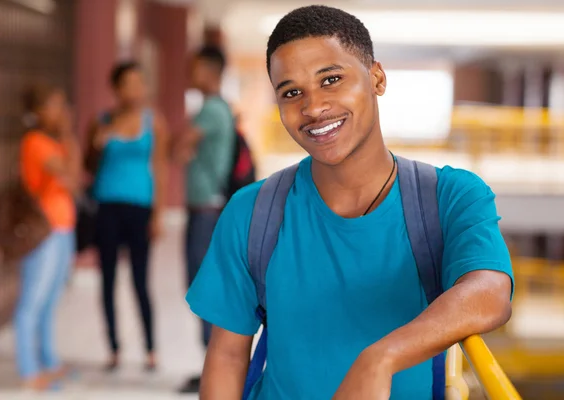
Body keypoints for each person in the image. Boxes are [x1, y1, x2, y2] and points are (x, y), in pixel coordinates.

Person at [185, 5, 514, 400]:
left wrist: (381, 359)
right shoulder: (252, 212)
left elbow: (489, 291)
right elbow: (227, 357)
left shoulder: (450, 197)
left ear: (376, 77)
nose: (312, 107)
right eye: (291, 92)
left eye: (331, 80)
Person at [85, 61, 169, 372]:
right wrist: (99, 142)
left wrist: (158, 215)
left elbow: (160, 168)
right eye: (128, 84)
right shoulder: (101, 120)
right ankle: (114, 348)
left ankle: (150, 348)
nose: (135, 90)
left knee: (140, 279)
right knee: (107, 279)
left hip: (139, 209)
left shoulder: (153, 121)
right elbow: (87, 164)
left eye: (140, 83)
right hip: (106, 206)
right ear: (116, 88)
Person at [173, 46, 236, 393]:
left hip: (207, 212)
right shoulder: (216, 109)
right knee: (205, 287)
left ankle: (216, 370)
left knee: (205, 289)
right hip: (207, 209)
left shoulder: (211, 110)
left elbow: (176, 148)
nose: (189, 74)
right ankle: (212, 367)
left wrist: (181, 144)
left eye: (195, 68)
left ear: (211, 72)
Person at [15, 83, 81, 390]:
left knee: (50, 300)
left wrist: (67, 138)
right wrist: (68, 132)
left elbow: (75, 179)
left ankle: (49, 361)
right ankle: (30, 372)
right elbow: (68, 174)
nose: (61, 111)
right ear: (38, 111)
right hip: (45, 230)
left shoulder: (53, 143)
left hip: (62, 228)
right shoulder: (35, 142)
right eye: (55, 104)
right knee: (33, 300)